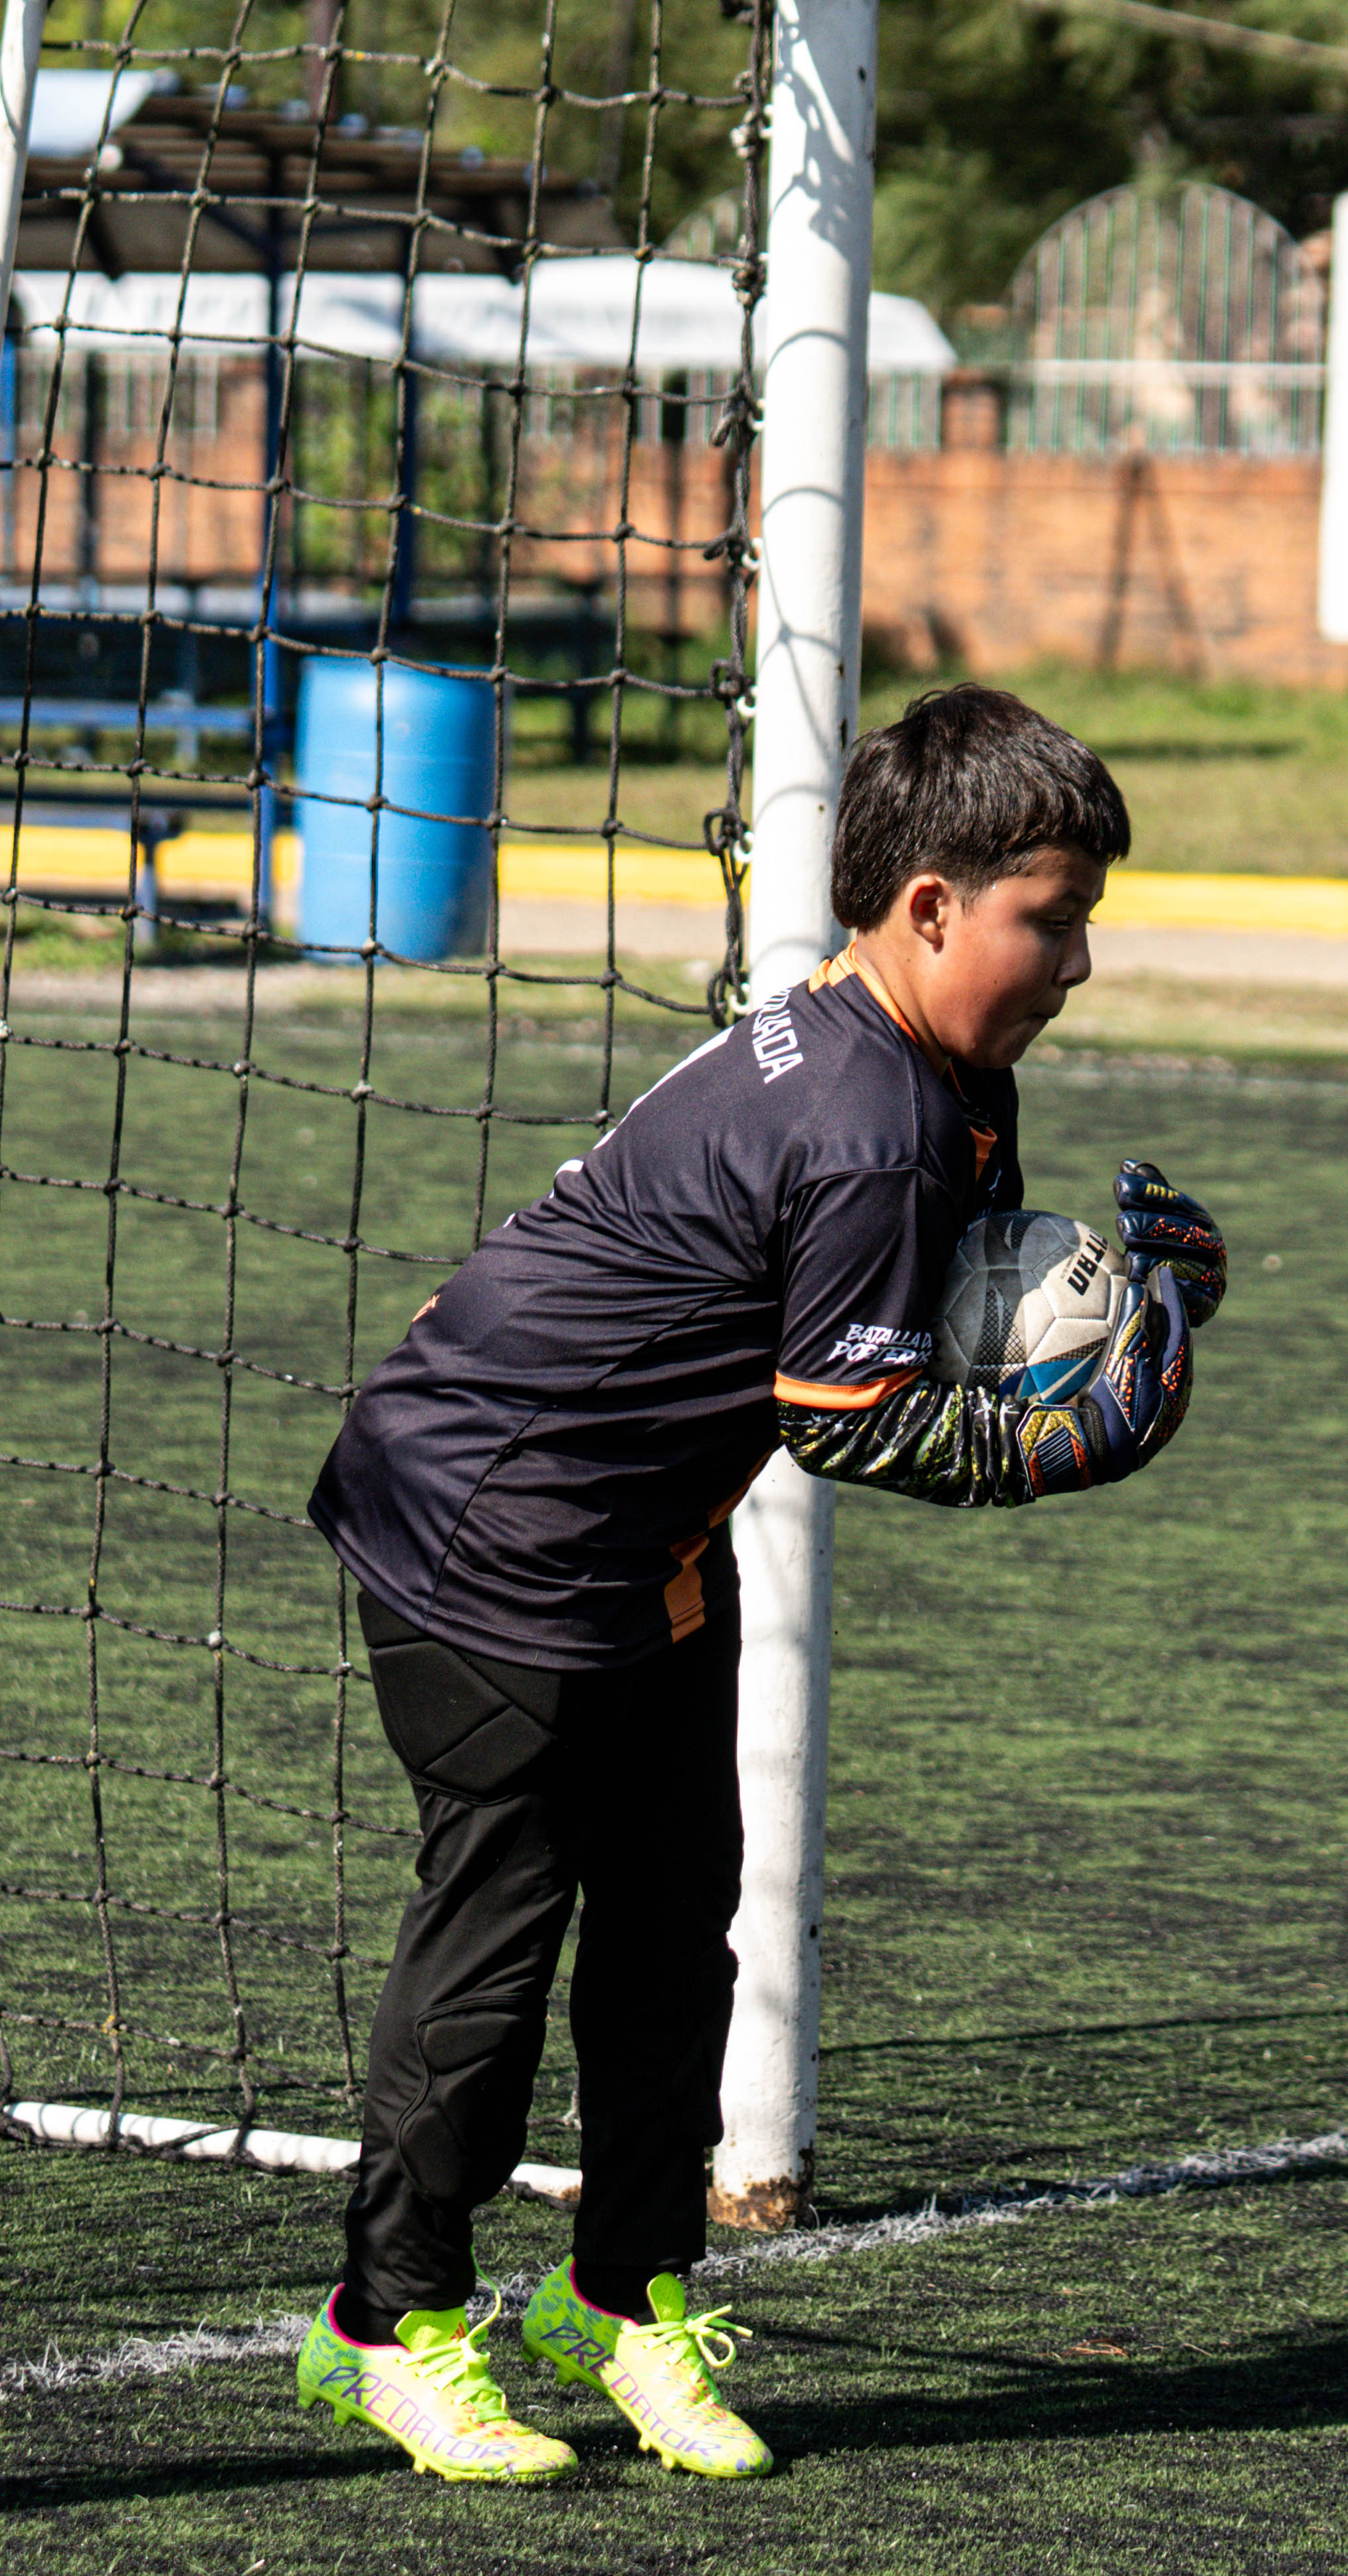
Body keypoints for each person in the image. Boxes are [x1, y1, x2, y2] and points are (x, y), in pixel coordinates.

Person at [292, 684, 1230, 2483]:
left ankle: (621, 2298)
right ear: (932, 907)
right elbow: (857, 1422)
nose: (1079, 961)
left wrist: (1135, 1329)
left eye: (1089, 920)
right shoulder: (870, 1116)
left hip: (641, 1540)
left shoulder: (947, 1079)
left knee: (677, 1934)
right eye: (1053, 918)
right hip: (488, 1534)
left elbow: (936, 1324)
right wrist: (1084, 1438)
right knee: (492, 1950)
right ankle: (384, 2324)